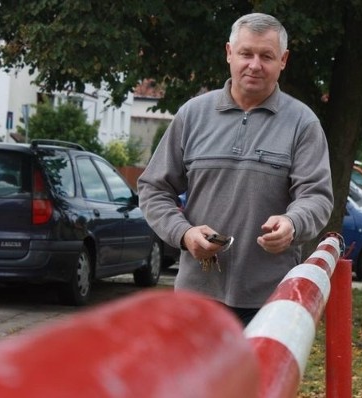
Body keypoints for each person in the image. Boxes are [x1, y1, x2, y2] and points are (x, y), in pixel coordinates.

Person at [137, 12, 333, 326]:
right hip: (196, 297)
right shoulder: (192, 115)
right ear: (229, 53)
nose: (255, 65)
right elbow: (153, 188)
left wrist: (292, 222)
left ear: (283, 60)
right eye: (246, 53)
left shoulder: (303, 123)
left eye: (266, 56)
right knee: (198, 378)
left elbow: (317, 197)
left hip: (270, 302)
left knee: (257, 379)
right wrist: (184, 234)